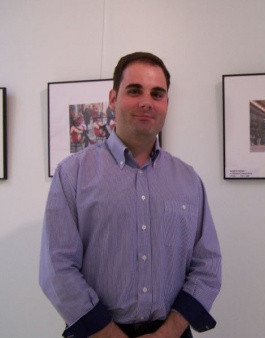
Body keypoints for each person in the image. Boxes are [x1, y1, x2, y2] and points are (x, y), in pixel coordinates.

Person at [39, 52, 222, 338]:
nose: (146, 102)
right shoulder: (72, 174)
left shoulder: (189, 180)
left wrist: (168, 333)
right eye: (134, 90)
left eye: (157, 94)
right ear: (113, 98)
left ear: (167, 104)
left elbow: (207, 266)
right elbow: (57, 268)